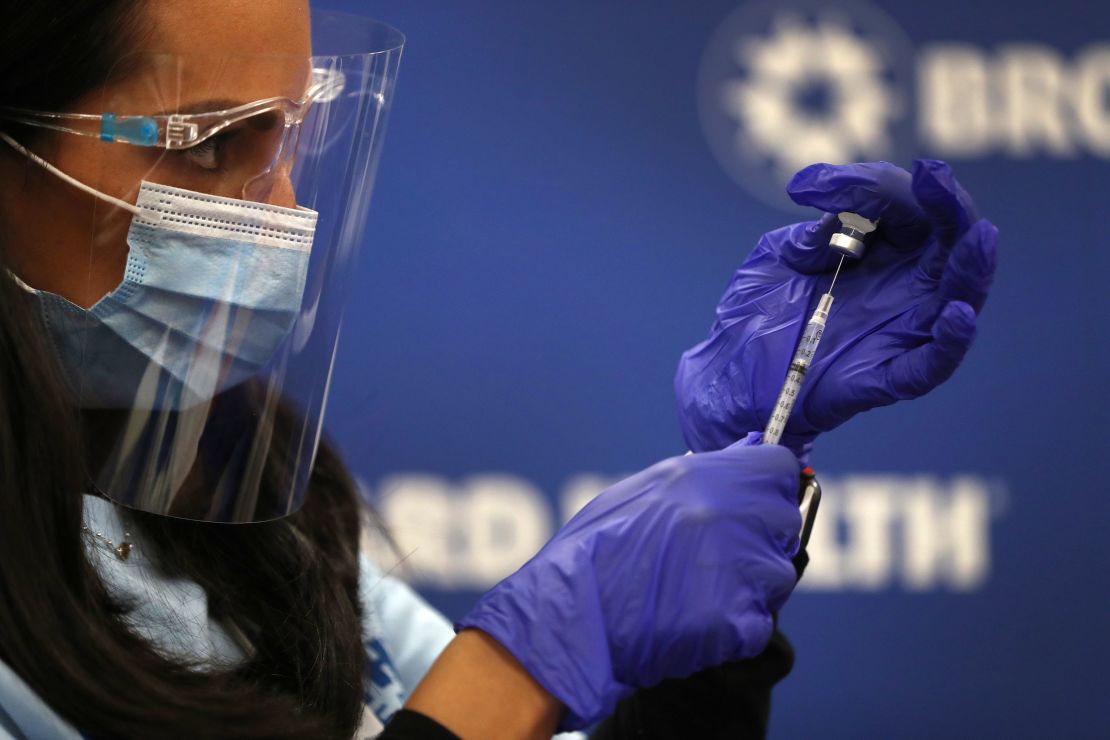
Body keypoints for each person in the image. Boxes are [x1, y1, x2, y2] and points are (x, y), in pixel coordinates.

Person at [0, 1, 997, 738]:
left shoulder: (247, 501)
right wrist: (524, 654)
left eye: (293, 138)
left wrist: (744, 485)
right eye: (214, 144)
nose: (281, 212)